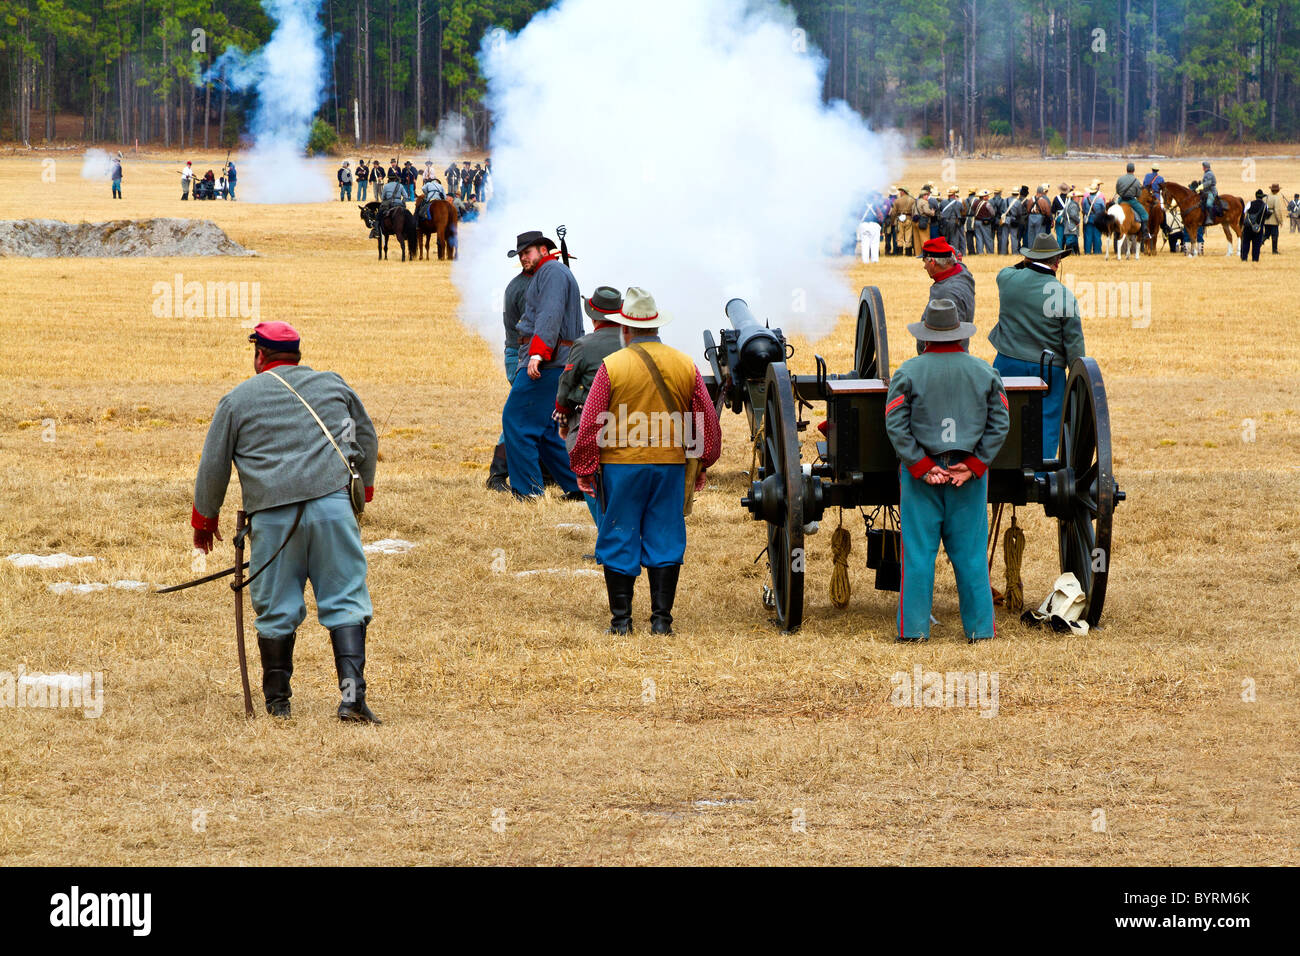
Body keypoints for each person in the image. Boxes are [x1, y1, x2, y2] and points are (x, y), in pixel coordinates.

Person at [190, 322, 380, 723]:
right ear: (296, 354)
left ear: (260, 355)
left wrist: (204, 520)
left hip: (274, 519)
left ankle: (278, 704)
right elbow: (366, 436)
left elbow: (213, 465)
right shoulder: (333, 385)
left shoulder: (237, 400)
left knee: (276, 608)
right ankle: (351, 700)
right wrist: (364, 492)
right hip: (332, 510)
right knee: (345, 600)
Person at [568, 287, 722, 635]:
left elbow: (592, 420)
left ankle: (621, 623)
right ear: (655, 326)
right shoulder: (685, 364)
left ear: (625, 329)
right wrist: (702, 463)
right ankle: (661, 622)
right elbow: (705, 420)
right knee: (665, 535)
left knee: (619, 532)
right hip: (670, 465)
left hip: (621, 466)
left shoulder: (612, 366)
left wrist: (584, 467)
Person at [885, 298, 1009, 643]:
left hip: (920, 478)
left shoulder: (907, 372)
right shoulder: (984, 371)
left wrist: (922, 467)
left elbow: (895, 424)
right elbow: (1001, 422)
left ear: (925, 337)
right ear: (960, 334)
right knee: (971, 556)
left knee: (919, 556)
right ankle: (981, 630)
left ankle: (914, 631)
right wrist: (973, 465)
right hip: (966, 476)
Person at [502, 230, 585, 500]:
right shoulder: (549, 272)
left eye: (527, 252)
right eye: (521, 254)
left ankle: (528, 492)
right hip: (554, 360)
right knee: (548, 431)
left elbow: (549, 315)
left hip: (548, 362)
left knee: (515, 420)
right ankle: (578, 487)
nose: (523, 258)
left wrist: (537, 354)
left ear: (543, 249)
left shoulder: (551, 273)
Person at [989, 232, 1084, 458]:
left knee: (1004, 419)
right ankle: (1041, 475)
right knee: (1047, 425)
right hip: (1048, 369)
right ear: (1057, 262)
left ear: (1029, 259)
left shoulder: (1007, 279)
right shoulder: (1064, 295)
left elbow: (1010, 269)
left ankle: (1005, 466)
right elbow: (1074, 345)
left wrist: (1027, 261)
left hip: (1007, 362)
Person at [555, 286, 626, 526]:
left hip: (591, 421)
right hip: (631, 420)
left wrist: (563, 421)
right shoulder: (632, 342)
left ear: (593, 315)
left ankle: (606, 536)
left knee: (588, 478)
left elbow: (565, 386)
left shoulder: (583, 345)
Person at [486, 259, 535, 492]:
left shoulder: (522, 285)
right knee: (520, 414)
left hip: (519, 354)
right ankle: (498, 472)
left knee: (532, 412)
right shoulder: (528, 288)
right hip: (522, 355)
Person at [917, 236, 975, 354]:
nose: (924, 267)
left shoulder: (947, 292)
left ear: (932, 262)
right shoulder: (961, 271)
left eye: (925, 261)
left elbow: (948, 336)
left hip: (945, 357)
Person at [1114, 163, 1150, 244]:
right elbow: (1138, 194)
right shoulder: (1136, 181)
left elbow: (1117, 190)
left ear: (1126, 169)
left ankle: (1114, 229)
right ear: (1133, 170)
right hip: (1131, 201)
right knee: (1145, 214)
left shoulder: (1120, 179)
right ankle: (1144, 233)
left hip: (1121, 200)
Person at [890, 186, 918, 257]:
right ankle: (908, 253)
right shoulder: (912, 200)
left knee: (899, 237)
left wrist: (892, 221)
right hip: (909, 219)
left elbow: (893, 213)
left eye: (900, 191)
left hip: (899, 220)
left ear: (903, 192)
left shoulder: (897, 201)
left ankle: (899, 253)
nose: (899, 193)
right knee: (908, 237)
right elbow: (915, 211)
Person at [1241, 189, 1267, 263]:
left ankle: (1244, 258)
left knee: (1246, 242)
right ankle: (1255, 259)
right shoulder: (1265, 206)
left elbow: (1244, 212)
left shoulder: (1250, 203)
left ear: (1256, 196)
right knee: (1256, 244)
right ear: (1262, 197)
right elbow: (1266, 215)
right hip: (1259, 227)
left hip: (1248, 226)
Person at [857, 193, 884, 264]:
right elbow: (880, 217)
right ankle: (874, 260)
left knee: (865, 244)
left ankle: (865, 261)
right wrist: (881, 224)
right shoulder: (875, 206)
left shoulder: (862, 206)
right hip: (874, 225)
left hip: (864, 225)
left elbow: (858, 217)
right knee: (874, 244)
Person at [1082, 181, 1106, 255]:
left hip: (1088, 219)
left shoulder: (1085, 200)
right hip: (1098, 220)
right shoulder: (1100, 200)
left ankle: (1087, 251)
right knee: (1097, 236)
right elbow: (1103, 210)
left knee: (1088, 236)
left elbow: (1083, 209)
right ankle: (1097, 251)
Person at [939, 187, 964, 254]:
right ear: (954, 195)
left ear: (948, 195)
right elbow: (962, 211)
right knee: (954, 239)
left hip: (945, 222)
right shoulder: (958, 203)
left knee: (945, 238)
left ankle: (945, 253)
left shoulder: (943, 202)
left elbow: (940, 211)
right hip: (955, 222)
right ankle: (954, 253)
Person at [1263, 183, 1285, 254]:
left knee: (1265, 235)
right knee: (1275, 235)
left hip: (1265, 220)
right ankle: (1274, 251)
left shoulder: (1265, 197)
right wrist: (1280, 221)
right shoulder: (1276, 198)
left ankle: (1257, 246)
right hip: (1274, 221)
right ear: (1277, 190)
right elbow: (1277, 211)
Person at [973, 189, 995, 254]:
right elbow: (993, 213)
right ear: (984, 197)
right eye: (987, 196)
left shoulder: (975, 203)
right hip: (985, 222)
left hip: (976, 221)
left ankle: (980, 252)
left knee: (979, 238)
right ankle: (990, 252)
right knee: (987, 238)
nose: (988, 197)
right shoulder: (987, 204)